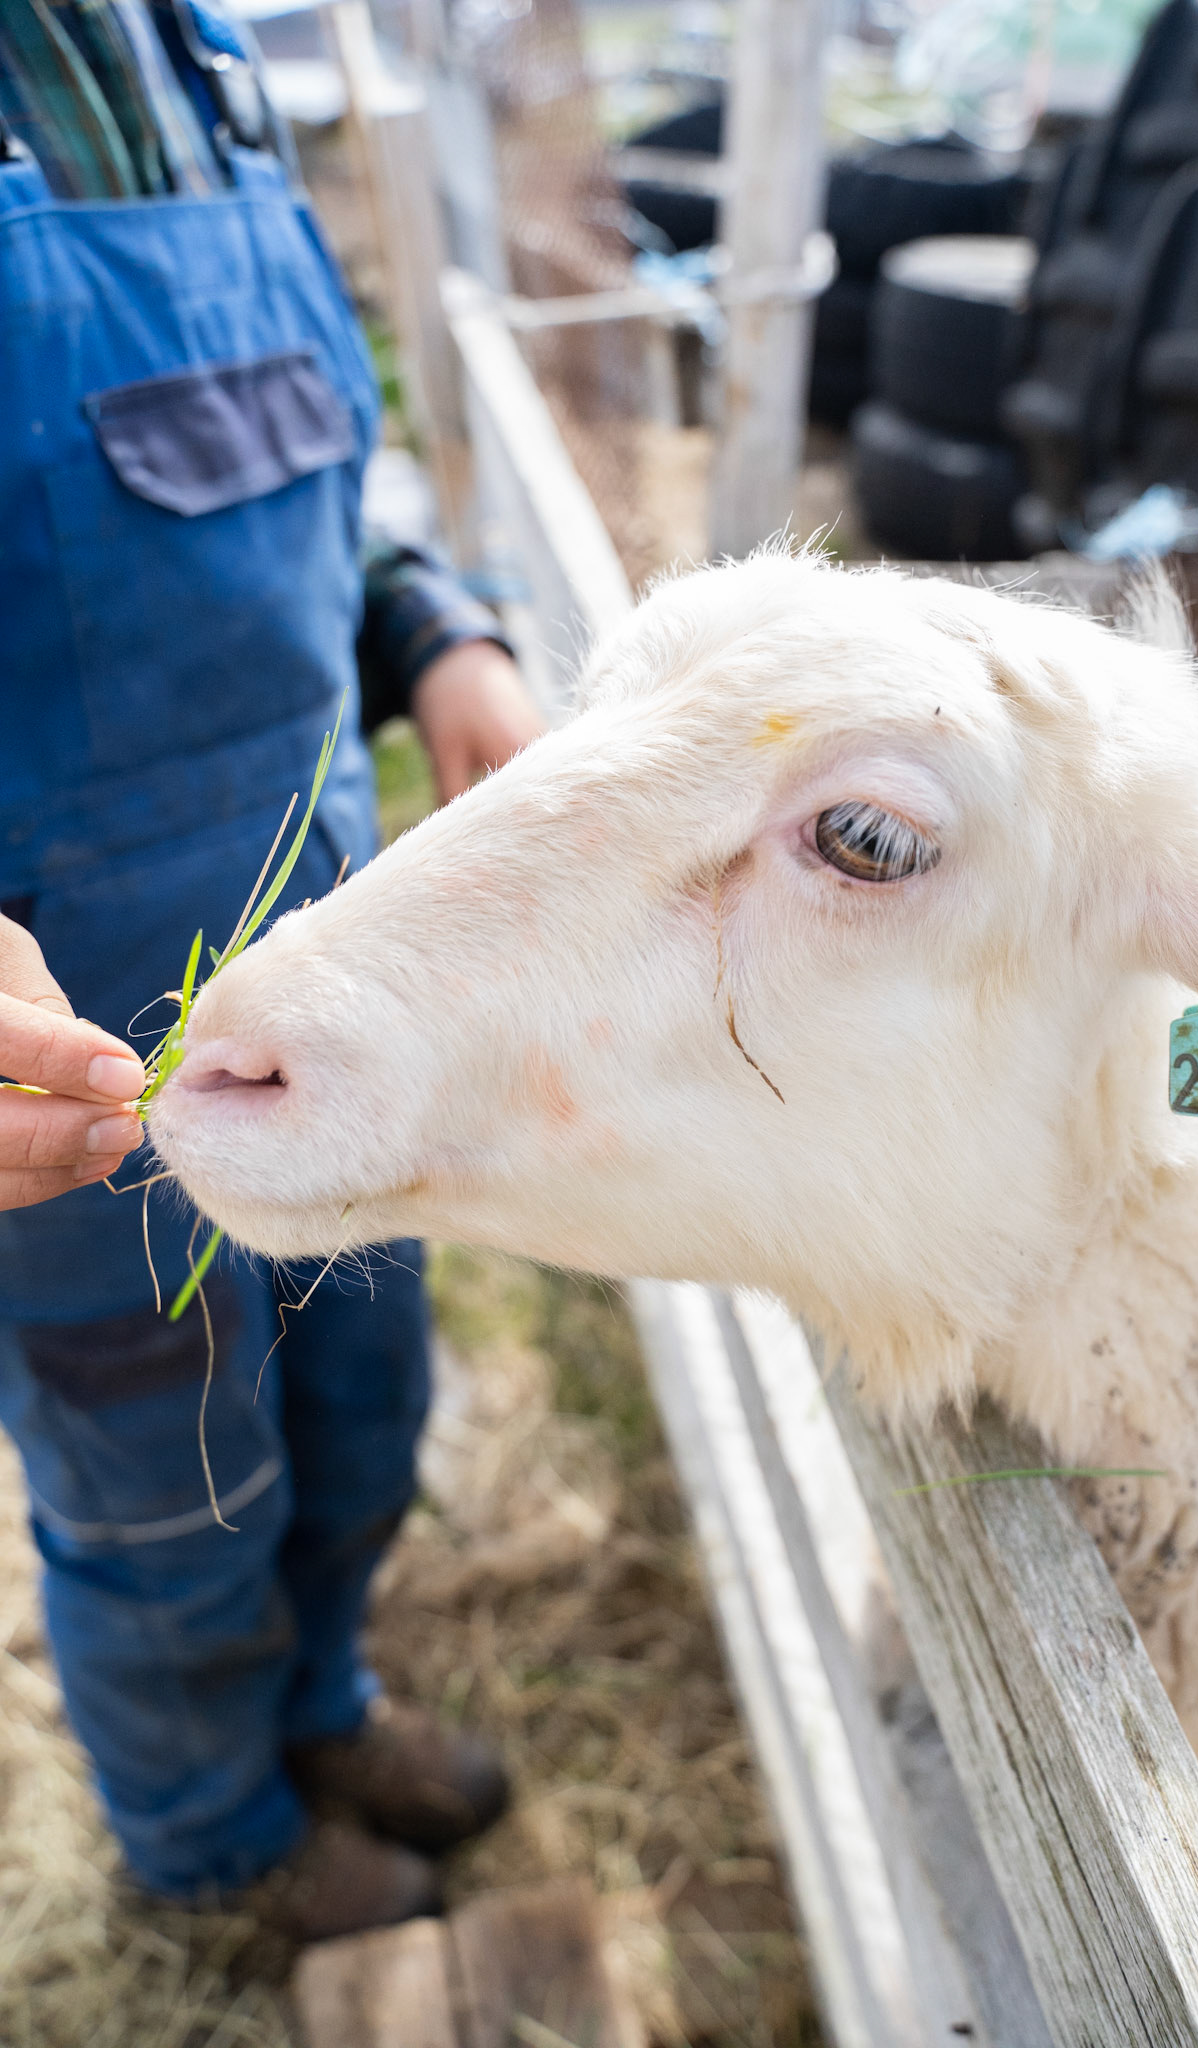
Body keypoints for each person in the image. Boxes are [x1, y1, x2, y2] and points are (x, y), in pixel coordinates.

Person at [0, 0, 543, 1937]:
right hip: (78, 1050)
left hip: (325, 960)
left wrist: (433, 624)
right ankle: (212, 1843)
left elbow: (333, 439)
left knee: (352, 1388)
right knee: (162, 1482)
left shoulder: (197, 54)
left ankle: (319, 1699)